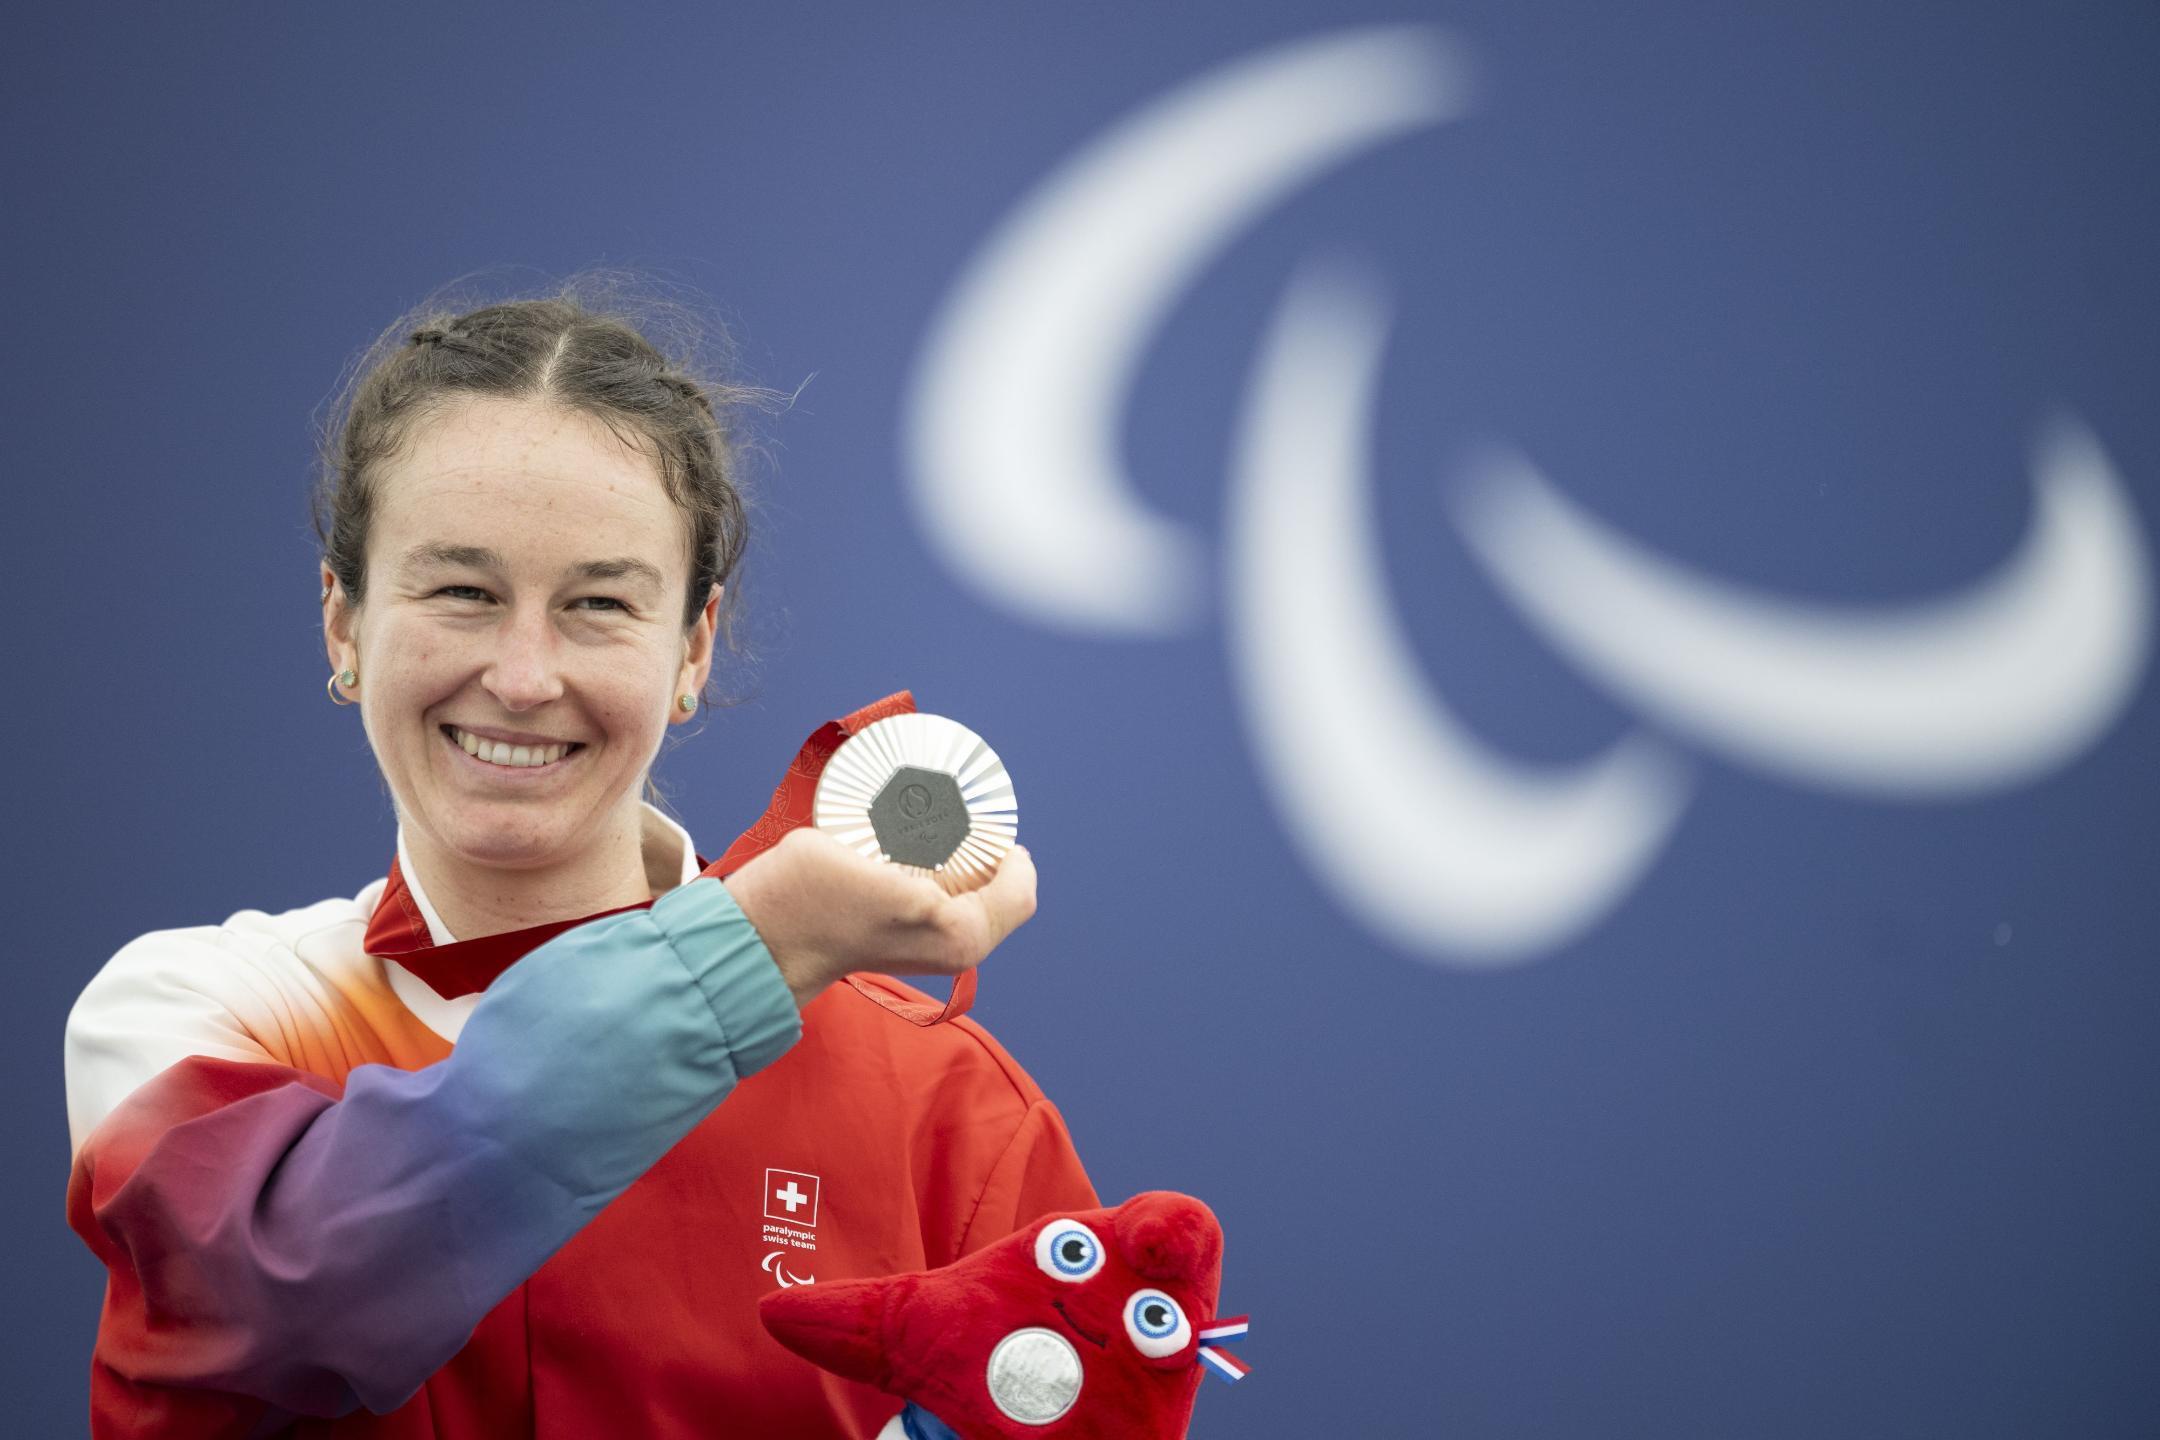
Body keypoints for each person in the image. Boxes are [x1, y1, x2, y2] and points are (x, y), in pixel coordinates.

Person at [62, 283, 1096, 1439]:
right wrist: (757, 949)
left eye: (599, 603)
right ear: (344, 621)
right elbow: (283, 1289)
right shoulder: (194, 1016)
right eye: (462, 591)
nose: (522, 674)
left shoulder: (942, 1110)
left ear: (692, 648)